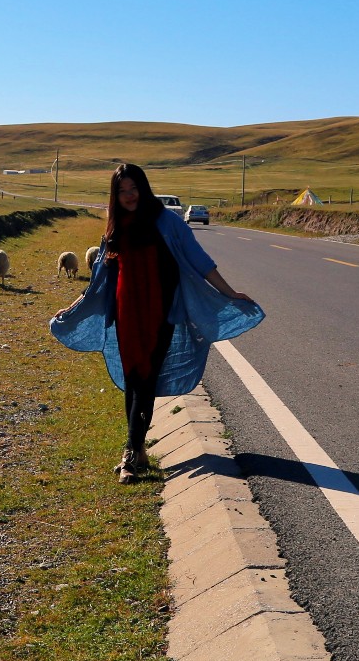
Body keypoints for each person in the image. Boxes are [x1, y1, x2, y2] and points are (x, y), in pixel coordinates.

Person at [50, 163, 263, 483]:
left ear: (144, 188)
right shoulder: (115, 226)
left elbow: (199, 261)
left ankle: (131, 455)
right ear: (115, 195)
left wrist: (229, 292)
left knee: (146, 377)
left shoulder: (167, 221)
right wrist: (79, 302)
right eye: (122, 191)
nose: (128, 196)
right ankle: (137, 450)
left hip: (161, 313)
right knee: (134, 377)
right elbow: (102, 277)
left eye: (133, 188)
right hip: (126, 313)